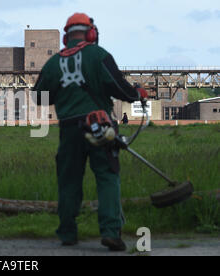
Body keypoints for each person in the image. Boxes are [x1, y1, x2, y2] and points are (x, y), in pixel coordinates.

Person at [33, 13, 148, 251]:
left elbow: (38, 96)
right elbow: (120, 89)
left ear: (66, 36)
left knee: (69, 180)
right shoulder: (99, 55)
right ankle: (110, 232)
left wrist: (62, 94)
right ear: (91, 33)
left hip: (69, 130)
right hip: (100, 127)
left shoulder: (53, 63)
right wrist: (137, 94)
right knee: (107, 176)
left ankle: (67, 233)